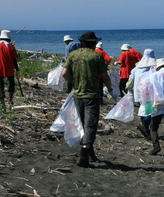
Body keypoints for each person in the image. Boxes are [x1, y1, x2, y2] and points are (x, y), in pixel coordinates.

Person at [62, 31, 115, 168]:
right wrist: (110, 90)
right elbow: (105, 76)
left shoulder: (73, 55)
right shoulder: (96, 56)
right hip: (92, 94)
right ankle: (84, 154)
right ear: (93, 43)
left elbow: (64, 73)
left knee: (82, 123)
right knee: (90, 125)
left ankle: (91, 154)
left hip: (77, 94)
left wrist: (74, 82)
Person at [127, 49, 157, 138]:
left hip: (138, 92)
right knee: (151, 111)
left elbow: (130, 80)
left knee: (142, 109)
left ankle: (146, 131)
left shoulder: (136, 68)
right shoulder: (153, 68)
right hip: (149, 92)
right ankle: (144, 124)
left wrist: (129, 91)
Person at [0, 30, 20, 105]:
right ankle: (10, 99)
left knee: (0, 85)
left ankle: (2, 102)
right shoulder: (11, 47)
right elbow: (14, 60)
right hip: (9, 68)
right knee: (11, 83)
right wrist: (17, 70)